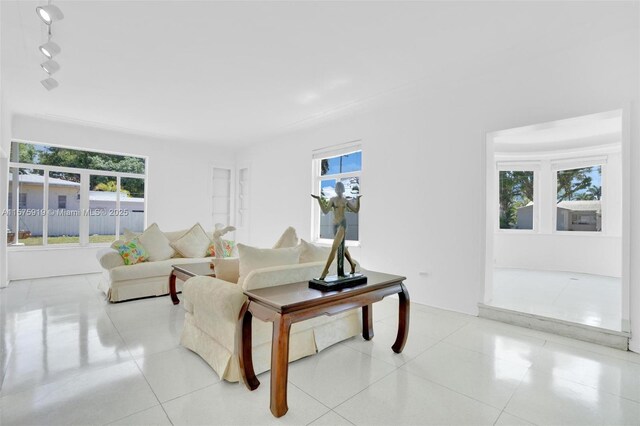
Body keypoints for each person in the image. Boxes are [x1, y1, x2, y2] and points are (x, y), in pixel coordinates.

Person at [311, 181, 362, 280]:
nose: (338, 190)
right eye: (337, 188)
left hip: (342, 225)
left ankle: (325, 270)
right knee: (341, 247)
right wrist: (318, 200)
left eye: (340, 188)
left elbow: (356, 210)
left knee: (334, 248)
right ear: (335, 189)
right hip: (335, 226)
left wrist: (358, 200)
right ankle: (352, 264)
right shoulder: (332, 199)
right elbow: (325, 211)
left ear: (342, 189)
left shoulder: (345, 200)